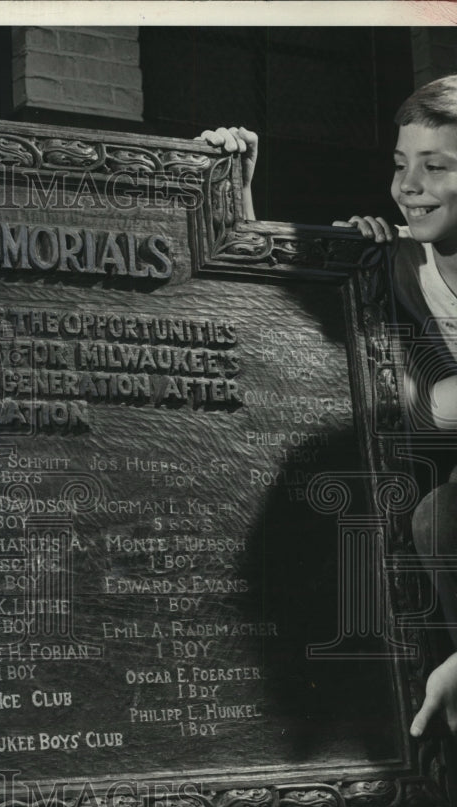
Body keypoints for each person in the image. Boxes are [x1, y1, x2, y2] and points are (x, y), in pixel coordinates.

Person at [201, 102, 457, 738]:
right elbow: (264, 308)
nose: (408, 187)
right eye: (401, 165)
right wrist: (226, 182)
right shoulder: (392, 262)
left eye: (436, 166)